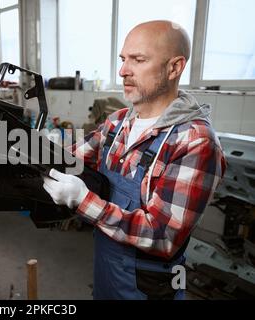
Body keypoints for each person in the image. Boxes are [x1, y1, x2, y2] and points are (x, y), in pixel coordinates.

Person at [42, 20, 226, 300]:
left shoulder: (196, 141)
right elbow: (71, 158)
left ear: (174, 67)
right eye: (123, 59)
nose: (123, 71)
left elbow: (162, 235)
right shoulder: (117, 123)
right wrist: (36, 147)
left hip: (152, 286)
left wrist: (82, 200)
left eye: (138, 60)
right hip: (107, 270)